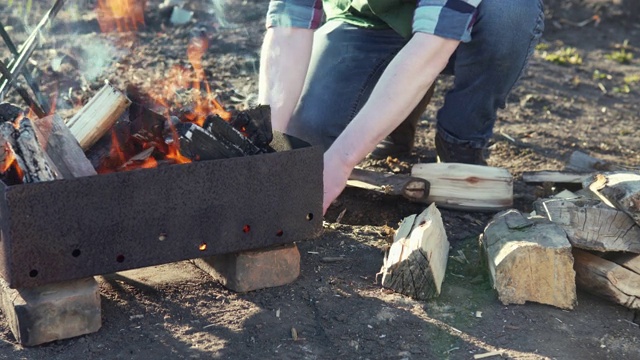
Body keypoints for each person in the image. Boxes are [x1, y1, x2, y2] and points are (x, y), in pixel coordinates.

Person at [257, 0, 545, 214]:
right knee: (309, 131)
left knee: (511, 14)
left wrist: (340, 163)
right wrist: (270, 141)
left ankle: (461, 139)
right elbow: (289, 25)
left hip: (472, 21)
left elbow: (433, 45)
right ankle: (396, 120)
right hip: (368, 22)